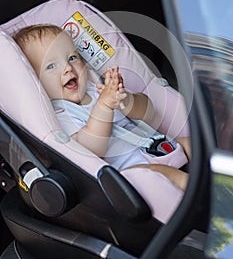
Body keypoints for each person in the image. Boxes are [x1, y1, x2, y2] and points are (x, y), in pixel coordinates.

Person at [14, 24, 190, 191]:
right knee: (165, 175)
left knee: (191, 144)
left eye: (72, 58)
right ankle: (203, 190)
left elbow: (149, 112)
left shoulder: (98, 88)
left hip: (158, 146)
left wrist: (127, 101)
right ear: (36, 84)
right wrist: (104, 107)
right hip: (132, 173)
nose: (68, 68)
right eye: (51, 66)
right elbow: (90, 148)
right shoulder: (58, 115)